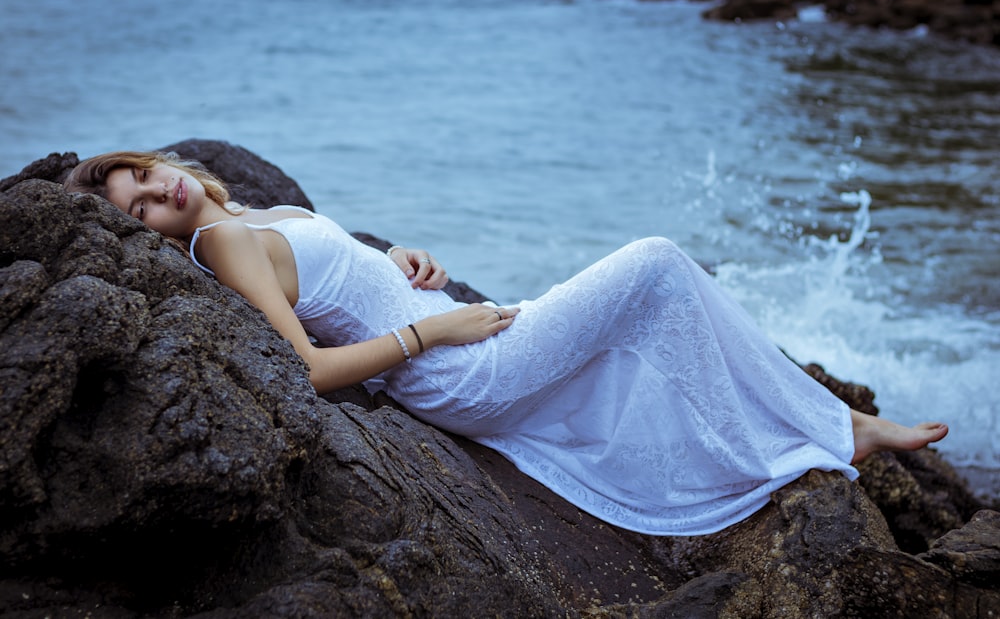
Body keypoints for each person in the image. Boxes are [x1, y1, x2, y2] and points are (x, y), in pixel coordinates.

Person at [64, 150, 948, 536]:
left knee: (654, 303)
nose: (153, 195)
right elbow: (309, 369)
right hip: (453, 369)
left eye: (141, 175)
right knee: (658, 266)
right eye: (135, 209)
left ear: (158, 157)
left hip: (453, 346)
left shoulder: (251, 213)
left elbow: (334, 279)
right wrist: (429, 327)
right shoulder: (219, 242)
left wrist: (396, 256)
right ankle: (836, 428)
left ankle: (815, 427)